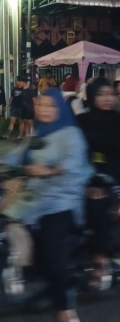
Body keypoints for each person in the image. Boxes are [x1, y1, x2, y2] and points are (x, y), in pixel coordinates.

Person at [2, 88, 93, 322]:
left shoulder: (71, 133)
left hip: (61, 200)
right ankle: (27, 277)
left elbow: (74, 162)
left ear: (60, 108)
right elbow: (20, 153)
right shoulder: (39, 132)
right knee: (3, 223)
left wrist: (49, 170)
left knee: (54, 253)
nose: (45, 109)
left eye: (52, 105)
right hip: (35, 197)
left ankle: (65, 309)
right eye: (42, 104)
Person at [77, 77, 120, 291]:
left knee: (100, 204)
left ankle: (101, 260)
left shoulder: (117, 121)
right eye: (101, 94)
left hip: (113, 179)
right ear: (91, 96)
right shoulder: (82, 121)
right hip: (85, 177)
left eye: (110, 94)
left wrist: (104, 182)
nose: (107, 99)